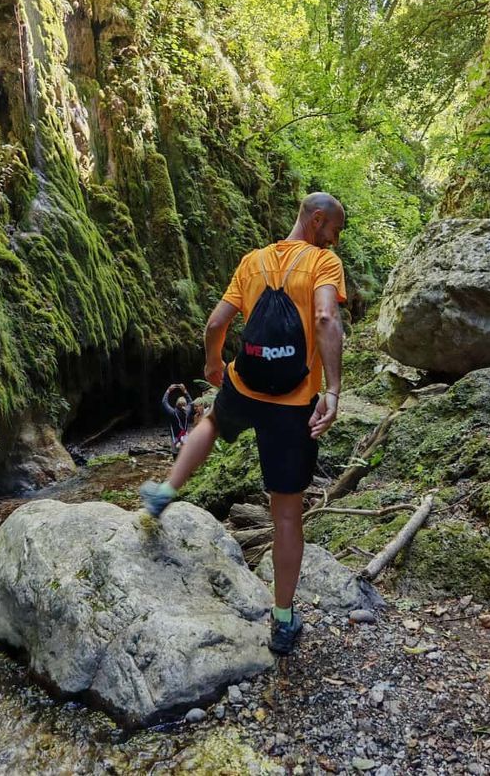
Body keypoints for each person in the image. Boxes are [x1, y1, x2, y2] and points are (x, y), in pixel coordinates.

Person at [141, 192, 346, 655]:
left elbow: (217, 323)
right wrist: (332, 391)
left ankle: (165, 491)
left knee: (212, 421)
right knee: (287, 514)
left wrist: (214, 364)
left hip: (245, 384)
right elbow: (325, 316)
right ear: (317, 220)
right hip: (294, 400)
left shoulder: (253, 262)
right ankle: (283, 621)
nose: (335, 241)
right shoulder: (323, 264)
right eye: (335, 230)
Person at [162, 383, 194, 455]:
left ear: (176, 404)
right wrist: (185, 391)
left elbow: (164, 402)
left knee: (176, 457)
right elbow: (191, 403)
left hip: (175, 439)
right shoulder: (187, 412)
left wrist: (168, 390)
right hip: (185, 438)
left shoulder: (173, 413)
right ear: (185, 405)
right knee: (185, 456)